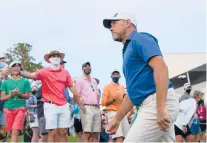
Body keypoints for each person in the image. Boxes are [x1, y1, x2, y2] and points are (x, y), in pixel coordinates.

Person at [103, 12, 179, 142]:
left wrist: (160, 108)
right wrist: (116, 120)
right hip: (151, 102)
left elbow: (161, 68)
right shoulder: (128, 49)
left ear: (127, 23)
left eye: (114, 23)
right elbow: (132, 94)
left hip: (157, 102)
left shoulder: (140, 39)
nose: (111, 28)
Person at [7, 51, 86, 142]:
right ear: (49, 59)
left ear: (60, 59)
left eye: (57, 56)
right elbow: (30, 75)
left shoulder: (65, 72)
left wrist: (79, 101)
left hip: (63, 105)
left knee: (63, 132)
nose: (55, 57)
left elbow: (71, 87)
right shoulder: (44, 71)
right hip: (50, 105)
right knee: (52, 132)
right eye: (53, 56)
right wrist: (19, 72)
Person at [1, 61, 31, 142]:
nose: (16, 67)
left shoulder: (25, 81)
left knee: (15, 130)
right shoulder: (5, 82)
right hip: (8, 108)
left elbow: (27, 96)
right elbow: (2, 97)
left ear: (20, 68)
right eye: (14, 66)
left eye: (18, 66)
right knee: (10, 131)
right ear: (10, 69)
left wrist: (19, 94)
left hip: (20, 108)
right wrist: (10, 95)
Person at [75, 62, 101, 142]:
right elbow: (76, 94)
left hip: (95, 107)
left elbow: (97, 94)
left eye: (89, 66)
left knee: (96, 134)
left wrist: (98, 105)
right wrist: (81, 105)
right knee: (87, 133)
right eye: (85, 66)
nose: (88, 67)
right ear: (82, 69)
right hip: (86, 107)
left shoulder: (94, 81)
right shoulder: (79, 80)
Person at [101, 70, 129, 142]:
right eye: (114, 74)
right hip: (112, 113)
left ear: (119, 76)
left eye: (117, 74)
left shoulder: (122, 87)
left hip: (122, 114)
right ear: (111, 76)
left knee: (128, 137)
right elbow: (103, 102)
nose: (115, 76)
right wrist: (113, 99)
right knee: (118, 137)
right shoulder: (107, 87)